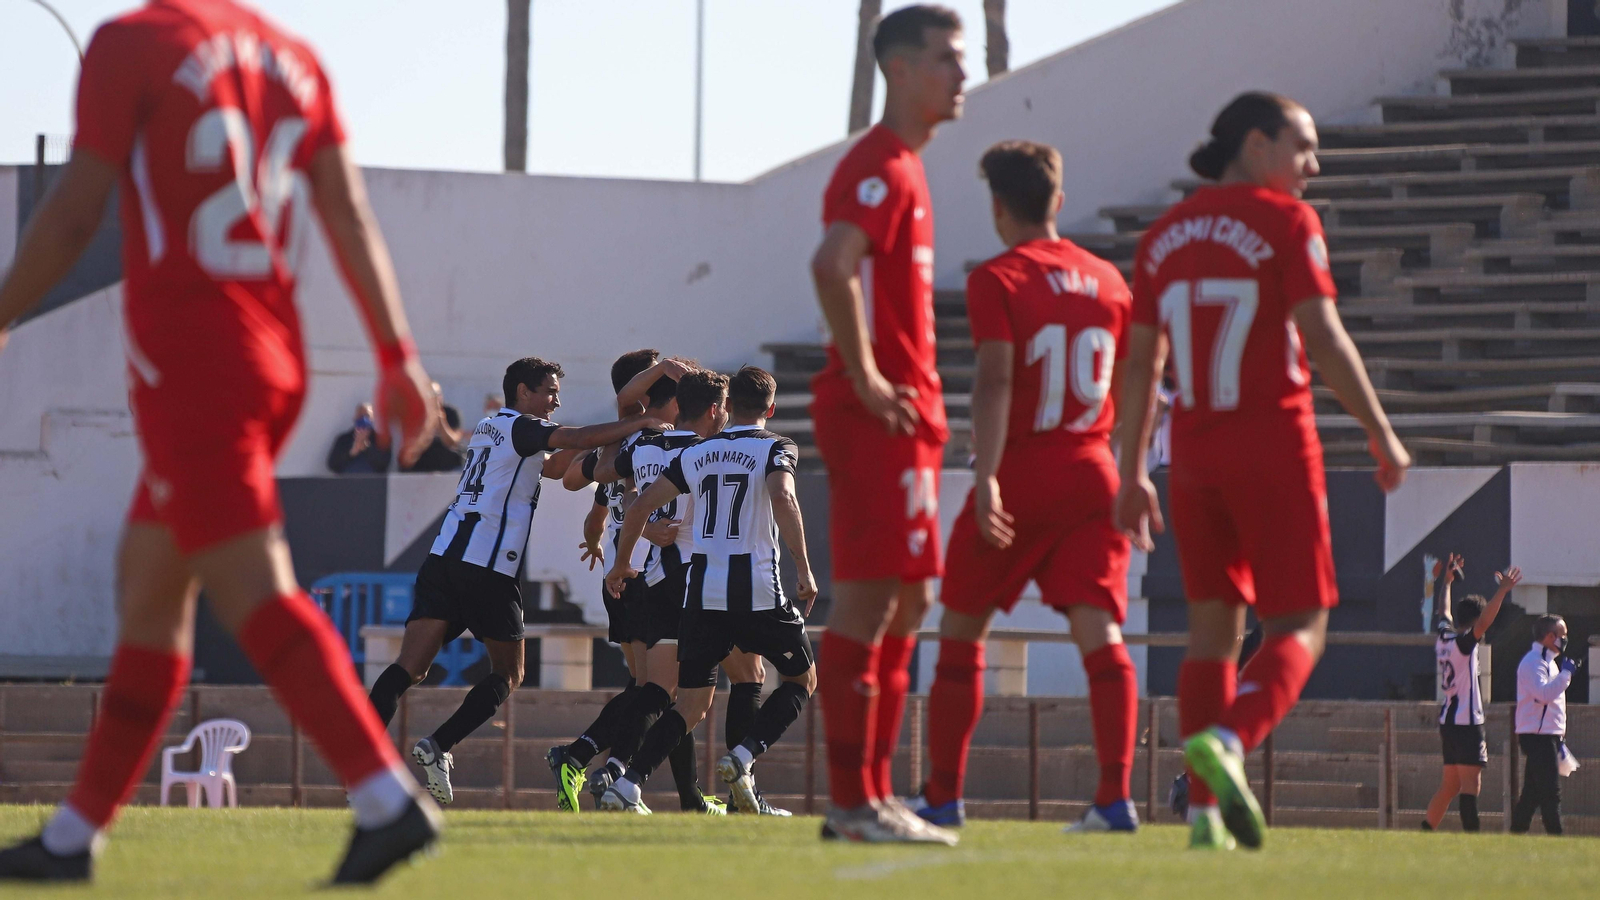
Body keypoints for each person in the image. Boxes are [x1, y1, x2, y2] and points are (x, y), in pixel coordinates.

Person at [0, 0, 443, 883]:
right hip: (270, 355)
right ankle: (74, 834)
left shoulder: (132, 43)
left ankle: (386, 799)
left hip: (194, 362)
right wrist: (396, 354)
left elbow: (74, 212)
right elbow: (349, 211)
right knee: (151, 584)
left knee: (257, 588)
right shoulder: (294, 58)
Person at [1114, 91, 1411, 852]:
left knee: (1212, 634)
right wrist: (1381, 432)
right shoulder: (1285, 221)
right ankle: (1234, 741)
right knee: (1302, 626)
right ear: (1255, 145)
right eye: (1303, 147)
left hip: (1193, 457)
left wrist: (1130, 470)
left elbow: (1142, 366)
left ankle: (1206, 814)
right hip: (1273, 446)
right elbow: (1325, 339)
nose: (1314, 165)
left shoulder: (1163, 237)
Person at [913, 141, 1137, 833]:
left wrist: (983, 476)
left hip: (1023, 469)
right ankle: (1114, 797)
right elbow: (1135, 388)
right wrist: (1125, 470)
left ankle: (944, 798)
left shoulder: (998, 278)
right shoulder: (1111, 283)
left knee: (961, 627)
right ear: (1059, 202)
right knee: (1100, 632)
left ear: (998, 206)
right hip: (1094, 466)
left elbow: (998, 378)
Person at [808, 3, 966, 845]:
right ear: (899, 69)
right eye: (945, 57)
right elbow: (833, 263)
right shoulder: (879, 163)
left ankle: (873, 796)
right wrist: (866, 373)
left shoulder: (905, 166)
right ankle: (852, 800)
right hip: (882, 414)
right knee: (871, 605)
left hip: (909, 415)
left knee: (910, 604)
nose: (961, 74)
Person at [364, 357, 653, 804]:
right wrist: (643, 421)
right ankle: (438, 744)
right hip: (487, 566)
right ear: (523, 392)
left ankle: (360, 766)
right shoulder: (521, 426)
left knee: (409, 667)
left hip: (443, 559)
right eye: (549, 391)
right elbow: (576, 438)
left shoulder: (489, 427)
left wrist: (611, 444)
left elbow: (556, 466)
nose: (556, 400)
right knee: (509, 672)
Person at [599, 369, 819, 816]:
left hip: (701, 595)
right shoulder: (777, 447)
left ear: (729, 405)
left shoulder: (699, 452)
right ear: (770, 410)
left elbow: (640, 505)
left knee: (692, 704)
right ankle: (743, 758)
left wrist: (623, 564)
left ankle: (629, 784)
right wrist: (804, 567)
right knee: (801, 680)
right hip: (758, 591)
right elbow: (784, 497)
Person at [549, 361, 724, 815]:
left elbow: (609, 493)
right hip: (666, 579)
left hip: (639, 575)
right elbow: (579, 477)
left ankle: (676, 792)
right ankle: (603, 763)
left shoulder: (639, 444)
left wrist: (630, 526)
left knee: (658, 691)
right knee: (663, 692)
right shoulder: (684, 442)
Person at [1422, 558, 1520, 832]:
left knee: (1450, 785)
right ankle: (1472, 839)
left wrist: (1447, 583)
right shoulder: (1465, 644)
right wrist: (1502, 590)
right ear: (1475, 621)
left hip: (1448, 720)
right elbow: (1485, 620)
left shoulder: (1444, 638)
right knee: (1470, 786)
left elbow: (1443, 612)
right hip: (1466, 722)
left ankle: (1425, 831)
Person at [1511, 614, 1580, 835]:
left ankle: (1516, 833)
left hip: (1548, 735)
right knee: (1551, 792)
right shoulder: (1533, 662)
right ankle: (1556, 836)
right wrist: (1567, 674)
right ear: (1550, 636)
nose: (1565, 640)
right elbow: (1543, 695)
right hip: (1537, 736)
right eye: (1563, 635)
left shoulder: (1549, 663)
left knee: (1531, 794)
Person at [401, 382, 466, 472]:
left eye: (434, 395)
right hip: (423, 463)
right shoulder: (416, 415)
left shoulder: (451, 413)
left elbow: (452, 442)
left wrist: (440, 420)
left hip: (448, 463)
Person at [327, 403, 393, 473]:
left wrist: (366, 448)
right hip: (347, 482)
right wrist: (351, 453)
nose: (363, 419)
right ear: (354, 418)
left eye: (367, 416)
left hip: (373, 482)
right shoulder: (343, 439)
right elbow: (332, 465)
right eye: (360, 416)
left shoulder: (381, 440)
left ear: (372, 419)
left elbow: (384, 464)